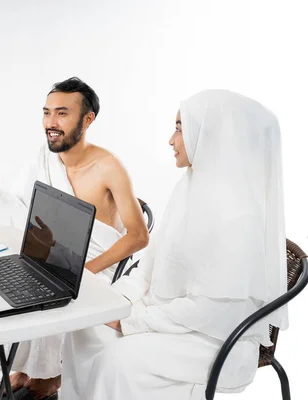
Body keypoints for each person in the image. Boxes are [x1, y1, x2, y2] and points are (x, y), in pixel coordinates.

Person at [60, 89, 289, 399]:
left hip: (213, 340)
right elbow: (149, 267)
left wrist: (132, 321)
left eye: (181, 128)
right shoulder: (189, 189)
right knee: (84, 328)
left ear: (213, 135)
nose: (171, 139)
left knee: (120, 361)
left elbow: (208, 312)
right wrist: (115, 301)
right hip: (171, 318)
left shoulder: (240, 218)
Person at [0, 77, 149, 399]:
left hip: (94, 267)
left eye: (62, 114)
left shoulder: (109, 167)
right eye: (47, 113)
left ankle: (48, 379)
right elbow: (27, 213)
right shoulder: (44, 158)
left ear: (87, 119)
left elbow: (138, 237)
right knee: (4, 284)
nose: (51, 123)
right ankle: (24, 370)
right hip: (47, 257)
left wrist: (85, 271)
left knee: (50, 295)